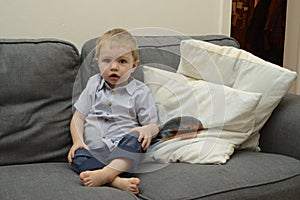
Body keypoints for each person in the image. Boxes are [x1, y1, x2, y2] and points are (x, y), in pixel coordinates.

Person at [67, 28, 159, 194]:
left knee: (136, 137)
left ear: (134, 65)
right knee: (76, 157)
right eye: (107, 60)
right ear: (98, 62)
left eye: (122, 61)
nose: (114, 67)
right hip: (93, 153)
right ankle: (115, 180)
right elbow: (78, 117)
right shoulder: (93, 84)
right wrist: (78, 141)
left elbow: (153, 126)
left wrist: (146, 129)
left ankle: (106, 174)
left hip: (123, 155)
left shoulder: (140, 91)